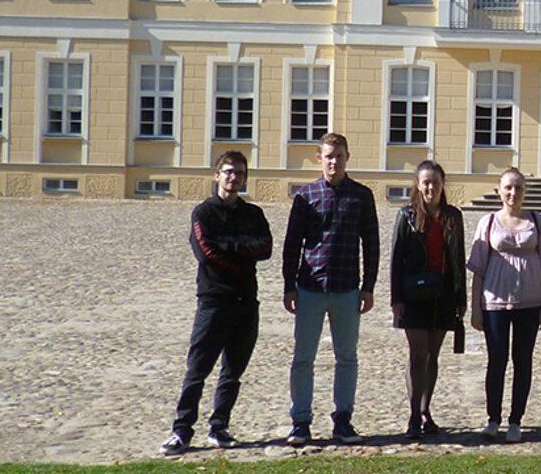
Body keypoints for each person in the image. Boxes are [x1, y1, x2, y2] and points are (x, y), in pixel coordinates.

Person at [160, 151, 273, 455]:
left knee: (233, 372)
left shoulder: (253, 213)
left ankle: (219, 426)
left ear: (245, 177)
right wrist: (240, 253)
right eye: (227, 172)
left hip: (246, 301)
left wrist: (231, 248)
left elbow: (265, 247)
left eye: (239, 172)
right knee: (197, 370)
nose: (233, 177)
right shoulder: (203, 212)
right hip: (213, 301)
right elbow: (206, 252)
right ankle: (181, 430)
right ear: (216, 175)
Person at [282, 132, 380, 446]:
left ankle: (343, 420)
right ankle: (300, 422)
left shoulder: (361, 196)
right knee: (303, 358)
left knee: (347, 358)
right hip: (310, 288)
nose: (333, 161)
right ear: (319, 158)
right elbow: (292, 244)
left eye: (339, 155)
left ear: (347, 157)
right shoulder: (306, 196)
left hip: (347, 289)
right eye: (328, 156)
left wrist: (369, 287)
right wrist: (289, 286)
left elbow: (372, 245)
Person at [468, 167, 541, 444]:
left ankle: (516, 420)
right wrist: (476, 307)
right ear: (499, 191)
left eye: (518, 187)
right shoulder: (489, 222)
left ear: (524, 191)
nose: (513, 193)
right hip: (494, 303)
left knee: (523, 362)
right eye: (508, 187)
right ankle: (493, 419)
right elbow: (478, 269)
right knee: (496, 361)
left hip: (529, 303)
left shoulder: (537, 222)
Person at [389, 160, 466, 439]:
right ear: (418, 185)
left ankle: (425, 410)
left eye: (435, 181)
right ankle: (412, 415)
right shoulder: (407, 215)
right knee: (417, 354)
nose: (431, 187)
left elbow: (459, 258)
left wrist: (461, 298)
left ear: (443, 184)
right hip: (414, 294)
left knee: (433, 356)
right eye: (426, 182)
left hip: (443, 294)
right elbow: (396, 259)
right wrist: (396, 298)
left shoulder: (453, 217)